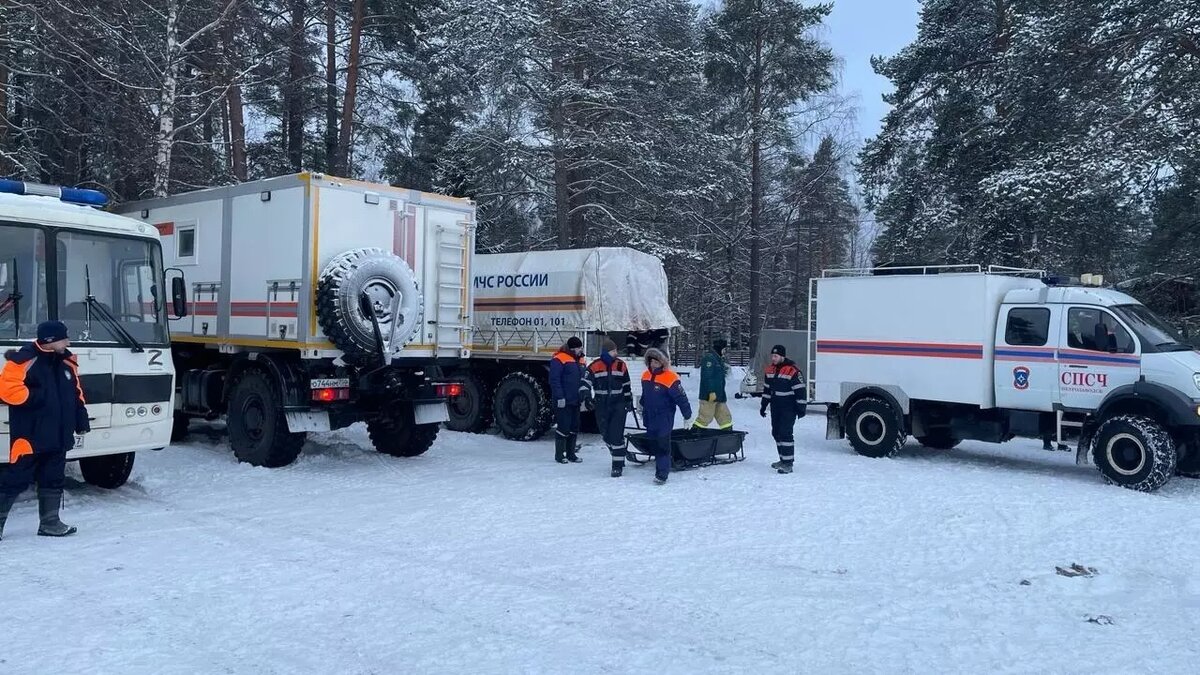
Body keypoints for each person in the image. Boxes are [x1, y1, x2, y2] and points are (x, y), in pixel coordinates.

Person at [0, 320, 89, 540]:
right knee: (14, 481)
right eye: (63, 338)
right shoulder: (24, 359)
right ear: (50, 341)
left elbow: (76, 392)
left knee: (53, 478)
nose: (67, 342)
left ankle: (50, 523)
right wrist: (39, 397)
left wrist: (81, 417)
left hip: (58, 435)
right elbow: (7, 390)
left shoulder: (67, 361)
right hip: (30, 436)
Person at [638, 348, 691, 485]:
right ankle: (662, 465)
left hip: (664, 416)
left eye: (657, 361)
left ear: (662, 363)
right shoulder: (645, 375)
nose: (654, 364)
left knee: (663, 445)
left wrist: (687, 415)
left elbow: (681, 398)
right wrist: (641, 405)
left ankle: (662, 474)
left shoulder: (671, 378)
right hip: (649, 416)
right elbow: (645, 394)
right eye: (651, 361)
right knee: (654, 443)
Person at [584, 338, 634, 477]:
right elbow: (585, 383)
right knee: (605, 434)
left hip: (618, 404)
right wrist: (587, 398)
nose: (616, 352)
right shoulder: (595, 366)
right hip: (601, 404)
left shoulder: (621, 365)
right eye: (614, 350)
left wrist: (628, 399)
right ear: (607, 352)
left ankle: (617, 466)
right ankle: (620, 453)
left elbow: (626, 384)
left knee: (616, 435)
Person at [760, 344, 805, 475]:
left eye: (776, 356)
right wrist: (763, 405)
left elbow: (800, 390)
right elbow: (767, 389)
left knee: (785, 434)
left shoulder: (792, 371)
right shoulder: (770, 370)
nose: (773, 358)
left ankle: (788, 463)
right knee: (776, 433)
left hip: (788, 408)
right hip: (776, 407)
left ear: (782, 356)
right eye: (772, 356)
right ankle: (782, 459)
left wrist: (801, 408)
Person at [549, 336, 587, 464]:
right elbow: (555, 380)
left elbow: (584, 379)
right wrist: (560, 397)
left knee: (574, 427)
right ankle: (560, 455)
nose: (581, 350)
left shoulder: (580, 360)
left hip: (575, 400)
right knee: (563, 427)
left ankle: (571, 454)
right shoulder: (559, 358)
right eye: (579, 348)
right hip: (564, 400)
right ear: (572, 348)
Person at [694, 338, 733, 431]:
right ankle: (695, 435)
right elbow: (707, 377)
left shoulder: (718, 359)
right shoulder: (710, 359)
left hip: (719, 396)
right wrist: (711, 391)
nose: (725, 352)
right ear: (720, 348)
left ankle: (728, 437)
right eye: (724, 349)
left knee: (725, 417)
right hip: (709, 396)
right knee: (705, 417)